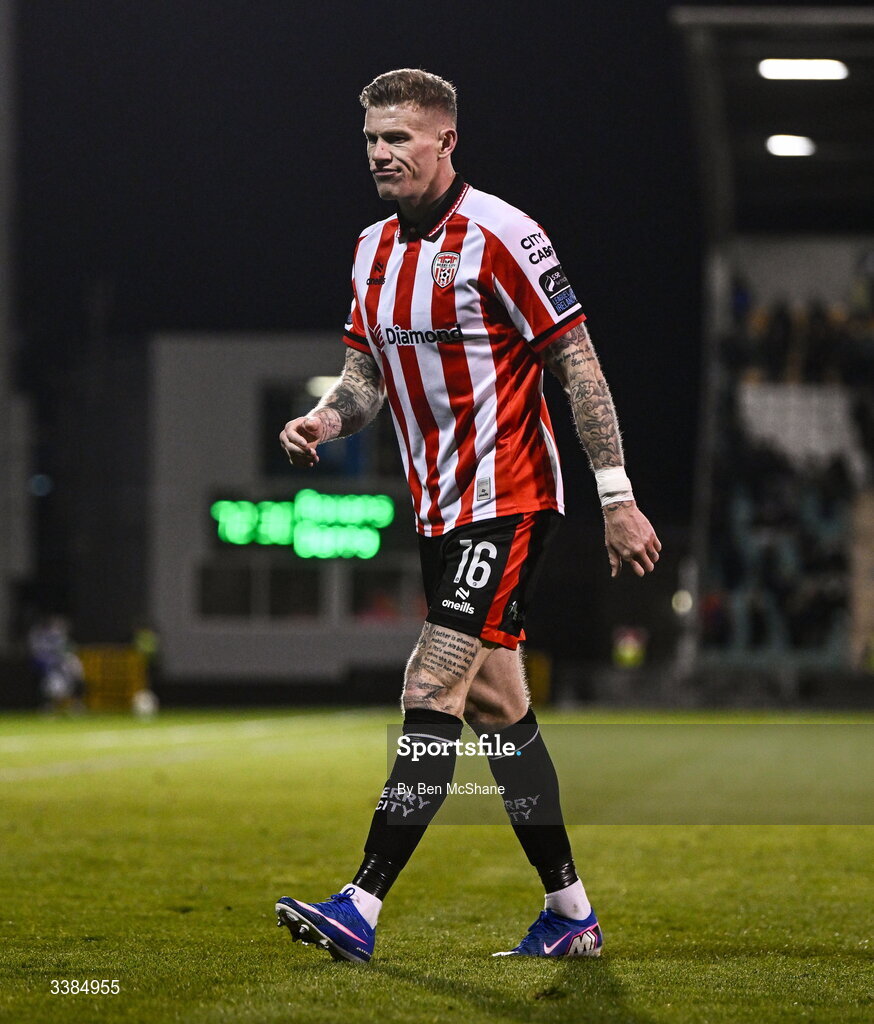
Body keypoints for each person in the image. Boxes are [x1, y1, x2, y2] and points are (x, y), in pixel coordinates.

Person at [276, 68, 661, 963]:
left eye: (398, 137)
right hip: (438, 516)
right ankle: (571, 914)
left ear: (446, 140)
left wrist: (616, 498)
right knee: (498, 707)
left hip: (511, 501)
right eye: (371, 138)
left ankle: (360, 906)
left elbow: (579, 366)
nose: (380, 153)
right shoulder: (371, 249)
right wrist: (325, 421)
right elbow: (367, 376)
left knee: (430, 684)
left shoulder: (504, 235)